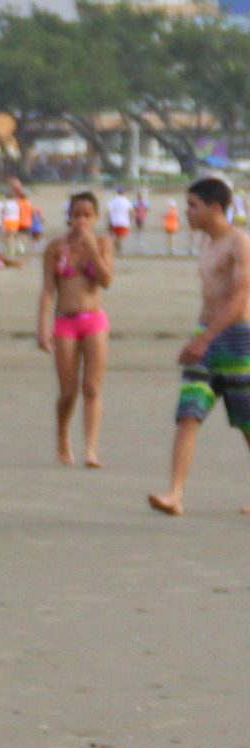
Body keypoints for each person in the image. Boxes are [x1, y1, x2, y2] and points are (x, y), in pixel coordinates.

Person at [148, 176, 250, 518]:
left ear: (215, 208)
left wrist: (204, 339)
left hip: (238, 340)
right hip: (205, 335)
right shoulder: (206, 245)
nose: (187, 212)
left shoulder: (239, 242)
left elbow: (239, 299)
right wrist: (201, 336)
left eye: (193, 206)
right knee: (188, 414)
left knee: (248, 422)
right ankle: (175, 493)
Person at [37, 189, 116, 469]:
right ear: (68, 216)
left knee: (92, 387)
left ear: (95, 217)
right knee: (68, 390)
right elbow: (48, 290)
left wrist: (92, 249)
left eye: (87, 215)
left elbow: (106, 280)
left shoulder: (104, 243)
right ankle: (62, 437)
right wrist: (42, 326)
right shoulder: (56, 248)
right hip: (65, 321)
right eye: (76, 214)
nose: (81, 220)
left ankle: (91, 449)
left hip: (94, 319)